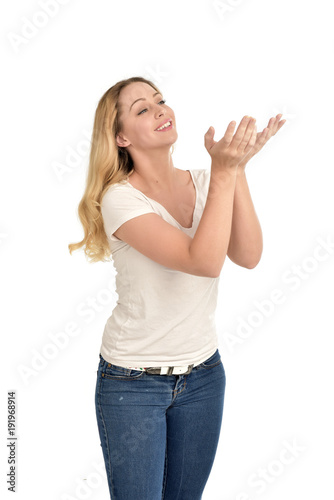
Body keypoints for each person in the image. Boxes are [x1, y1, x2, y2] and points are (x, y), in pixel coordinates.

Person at [68, 76, 285, 499]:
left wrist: (234, 170)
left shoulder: (210, 181)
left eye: (160, 100)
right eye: (142, 109)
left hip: (204, 376)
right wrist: (226, 172)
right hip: (132, 384)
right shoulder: (120, 200)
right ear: (121, 137)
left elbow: (248, 255)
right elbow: (202, 262)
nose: (160, 110)